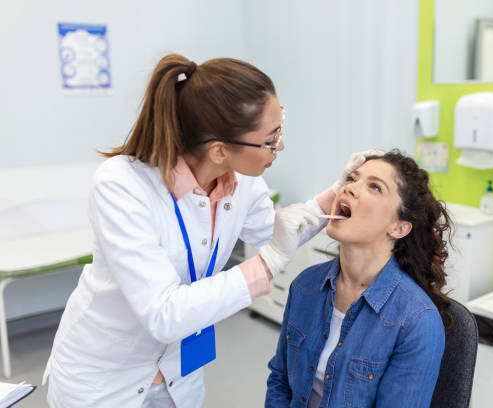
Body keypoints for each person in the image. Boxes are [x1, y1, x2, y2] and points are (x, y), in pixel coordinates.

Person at [42, 53, 375, 407]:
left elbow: (275, 232)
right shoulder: (122, 185)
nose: (281, 145)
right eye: (270, 138)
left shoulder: (243, 183)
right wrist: (267, 264)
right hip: (104, 380)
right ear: (219, 151)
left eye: (281, 127)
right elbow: (164, 314)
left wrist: (334, 194)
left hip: (179, 372)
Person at [265, 150, 454, 408]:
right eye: (352, 179)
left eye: (375, 187)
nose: (350, 189)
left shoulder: (417, 321)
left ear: (399, 227)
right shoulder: (305, 286)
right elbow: (279, 381)